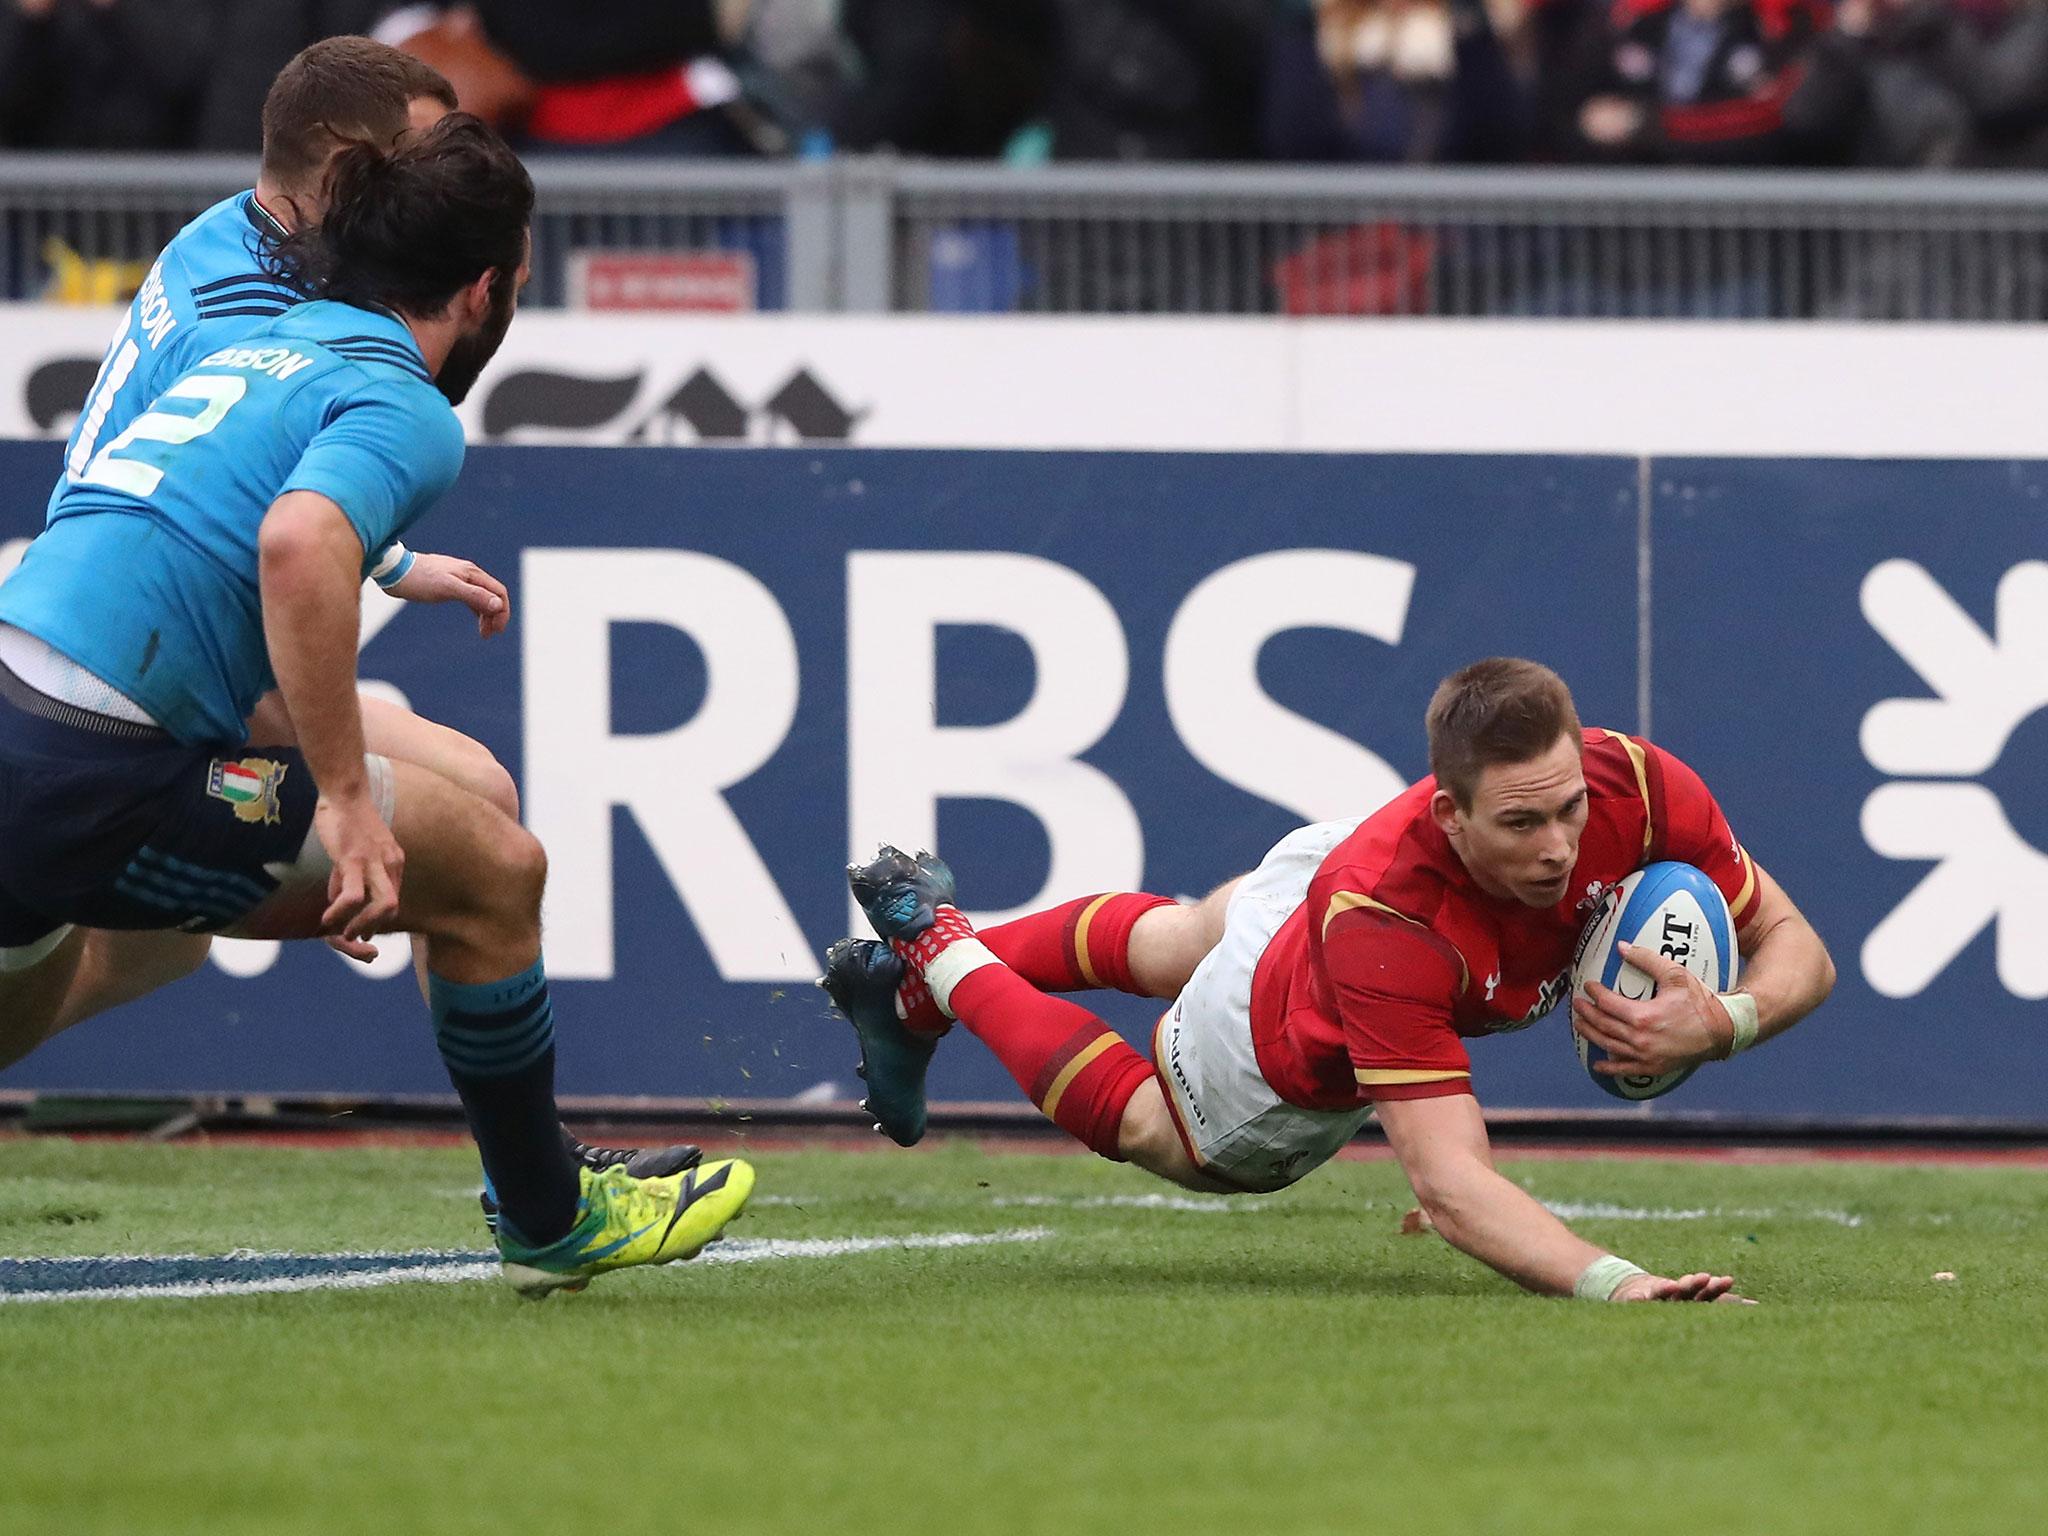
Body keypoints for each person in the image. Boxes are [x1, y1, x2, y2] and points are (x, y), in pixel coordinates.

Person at [0, 114, 753, 1295]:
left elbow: (200, 508)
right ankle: (551, 1214)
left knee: (128, 960)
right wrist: (345, 804)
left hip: (24, 692)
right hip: (91, 765)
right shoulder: (406, 405)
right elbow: (297, 541)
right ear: (487, 289)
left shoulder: (257, 342)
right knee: (492, 871)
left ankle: (534, 1178)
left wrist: (392, 569)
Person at [825, 657, 1835, 1303]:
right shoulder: (1392, 929)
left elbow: (1798, 946)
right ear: (1448, 816)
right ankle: (943, 953)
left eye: (1568, 808)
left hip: (1323, 867)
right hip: (1287, 1018)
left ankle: (905, 995)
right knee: (1174, 1143)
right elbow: (1448, 1185)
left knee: (1183, 933)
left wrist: (1725, 1021)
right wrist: (1618, 1286)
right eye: (1520, 825)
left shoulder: (1640, 785)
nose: (1560, 847)